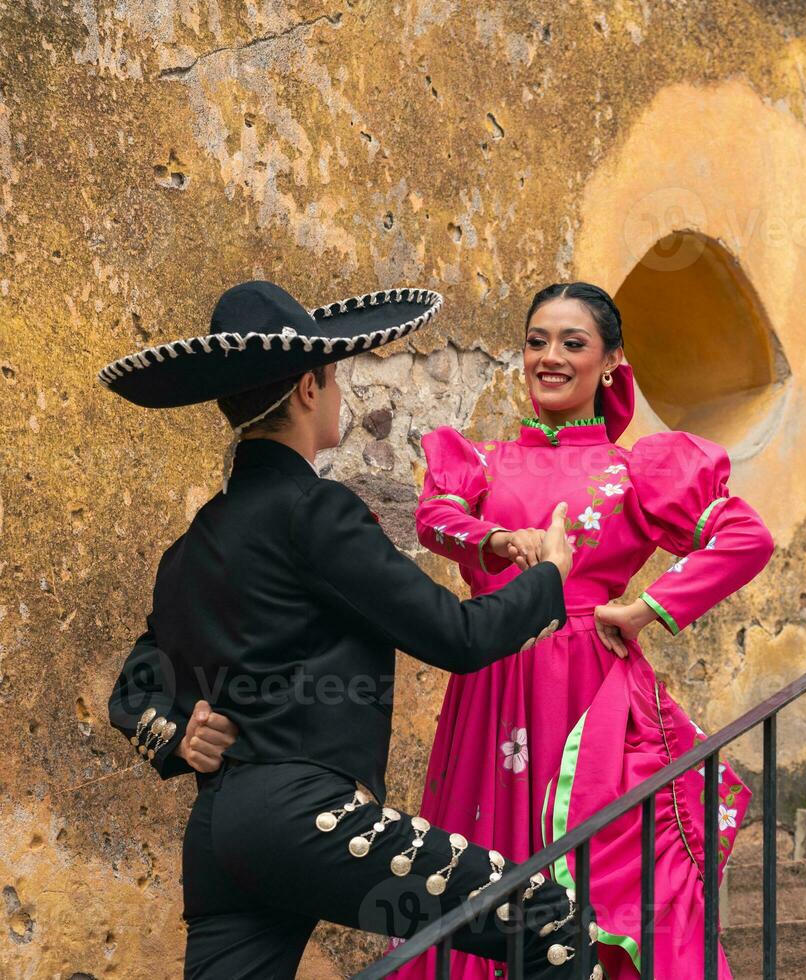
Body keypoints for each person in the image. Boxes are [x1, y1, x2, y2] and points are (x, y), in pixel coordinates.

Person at [101, 280, 599, 979]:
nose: (341, 397)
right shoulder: (317, 512)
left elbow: (137, 682)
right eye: (335, 381)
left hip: (218, 842)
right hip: (307, 825)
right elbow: (454, 636)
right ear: (309, 387)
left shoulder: (190, 546)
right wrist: (548, 577)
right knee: (548, 924)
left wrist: (177, 733)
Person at [392, 282, 775, 979]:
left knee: (583, 865)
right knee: (479, 860)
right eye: (537, 341)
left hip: (585, 687)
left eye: (573, 343)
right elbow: (434, 519)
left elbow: (745, 537)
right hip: (491, 673)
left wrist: (646, 608)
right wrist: (503, 541)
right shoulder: (482, 462)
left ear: (611, 361)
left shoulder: (634, 471)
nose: (550, 357)